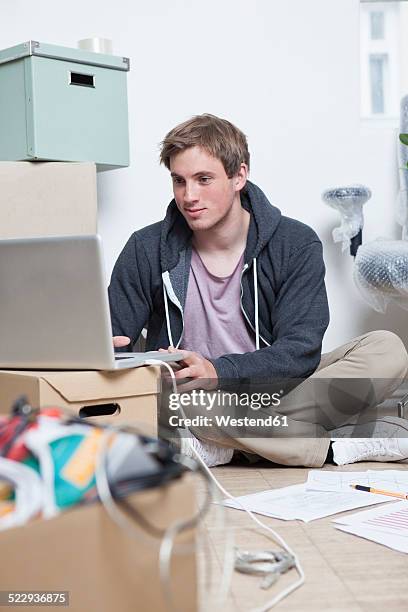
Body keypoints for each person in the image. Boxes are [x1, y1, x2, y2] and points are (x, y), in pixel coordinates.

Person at [109, 113, 408, 468]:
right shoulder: (146, 247)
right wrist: (102, 349)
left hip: (278, 386)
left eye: (204, 179)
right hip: (196, 396)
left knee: (386, 350)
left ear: (239, 176)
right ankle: (331, 446)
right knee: (175, 404)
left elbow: (300, 350)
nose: (189, 196)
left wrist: (219, 371)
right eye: (179, 181)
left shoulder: (293, 243)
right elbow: (116, 337)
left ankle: (229, 443)